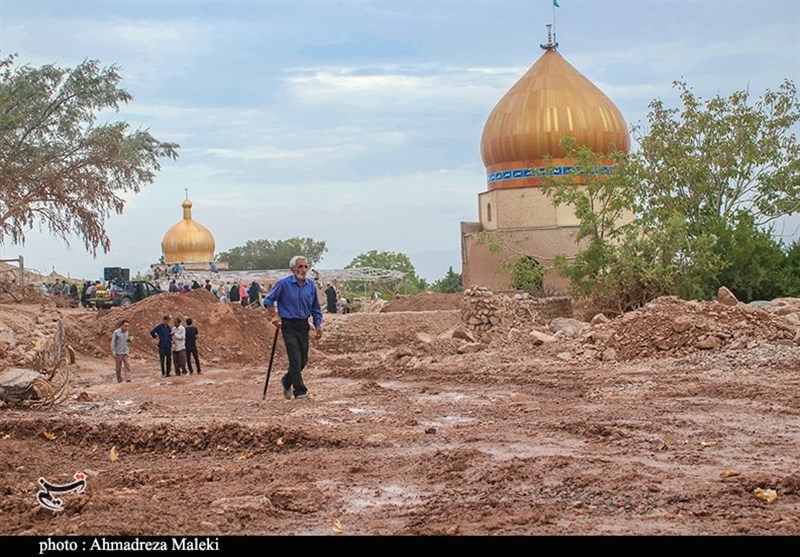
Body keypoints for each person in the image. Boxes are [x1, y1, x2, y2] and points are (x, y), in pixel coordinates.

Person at [262, 255, 323, 400]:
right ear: (292, 269)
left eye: (305, 267)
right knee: (294, 358)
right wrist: (274, 315)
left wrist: (318, 324)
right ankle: (300, 390)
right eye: (300, 266)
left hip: (303, 325)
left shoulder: (310, 286)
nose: (303, 270)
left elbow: (315, 307)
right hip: (288, 325)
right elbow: (268, 300)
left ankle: (287, 380)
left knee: (303, 360)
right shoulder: (284, 284)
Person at [110, 319, 133, 383]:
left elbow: (127, 341)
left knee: (128, 365)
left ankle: (128, 379)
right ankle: (119, 380)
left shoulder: (127, 332)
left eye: (128, 326)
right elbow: (113, 342)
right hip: (118, 352)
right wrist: (113, 351)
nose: (127, 327)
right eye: (125, 326)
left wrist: (130, 340)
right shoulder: (116, 332)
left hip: (126, 351)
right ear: (121, 325)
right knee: (118, 367)